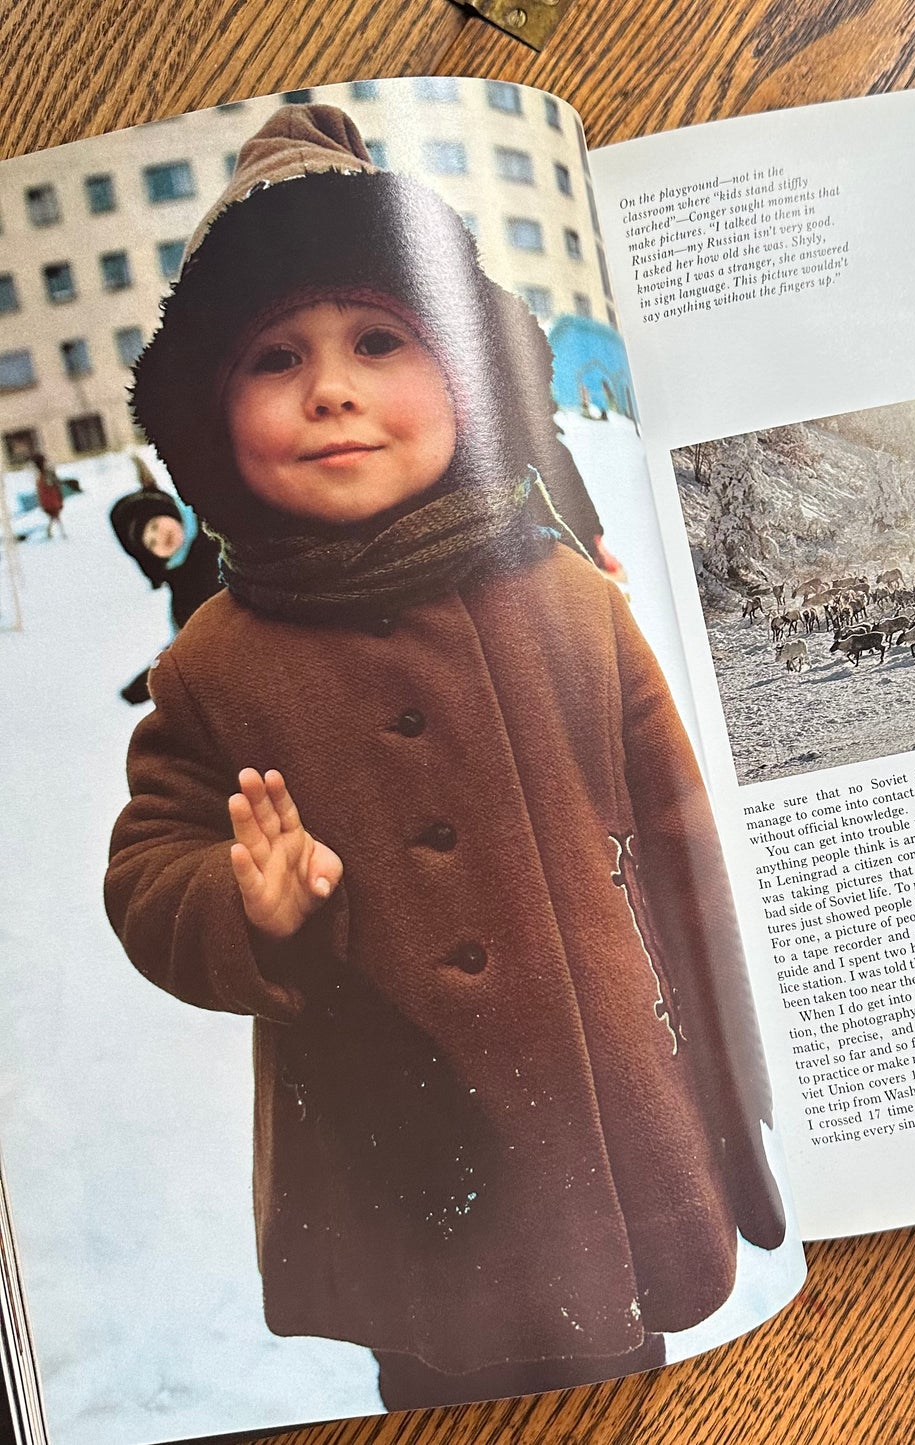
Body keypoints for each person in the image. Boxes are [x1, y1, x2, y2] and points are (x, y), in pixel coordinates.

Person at [104, 104, 785, 1409]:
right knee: (430, 1380)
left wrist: (730, 1058)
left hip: (610, 1124)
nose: (334, 387)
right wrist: (242, 902)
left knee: (615, 1377)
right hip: (398, 1146)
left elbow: (688, 839)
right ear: (211, 419)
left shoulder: (570, 601)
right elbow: (150, 870)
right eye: (273, 357)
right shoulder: (215, 660)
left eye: (379, 339)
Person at [107, 484, 223, 703]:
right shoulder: (182, 585)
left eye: (153, 525)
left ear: (166, 509)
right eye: (150, 542)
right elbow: (185, 646)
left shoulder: (218, 525)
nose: (159, 537)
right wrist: (153, 680)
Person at [33, 453, 65, 538]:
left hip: (48, 498)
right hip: (51, 498)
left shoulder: (40, 474)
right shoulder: (44, 473)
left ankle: (50, 531)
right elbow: (50, 483)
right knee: (55, 515)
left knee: (54, 516)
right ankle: (60, 532)